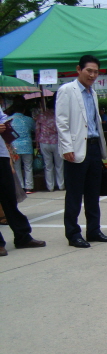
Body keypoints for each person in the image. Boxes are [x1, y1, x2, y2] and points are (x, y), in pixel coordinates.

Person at [56, 54, 107, 248]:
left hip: (94, 146)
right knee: (74, 193)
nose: (92, 75)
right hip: (76, 147)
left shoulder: (92, 93)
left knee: (93, 192)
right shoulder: (67, 90)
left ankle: (94, 230)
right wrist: (67, 147)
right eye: (89, 71)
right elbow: (61, 122)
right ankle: (73, 234)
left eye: (96, 72)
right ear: (79, 69)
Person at [0, 109, 46, 256]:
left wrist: (4, 124)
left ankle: (22, 236)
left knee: (9, 197)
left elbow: (3, 118)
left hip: (1, 154)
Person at [34, 97, 64, 192]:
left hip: (44, 141)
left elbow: (37, 130)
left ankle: (50, 186)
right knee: (59, 165)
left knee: (48, 165)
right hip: (56, 141)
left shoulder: (41, 116)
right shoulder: (58, 115)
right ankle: (61, 185)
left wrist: (37, 143)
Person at [9, 97, 36, 193]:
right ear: (24, 109)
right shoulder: (29, 120)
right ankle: (29, 187)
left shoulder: (9, 120)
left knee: (17, 167)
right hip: (27, 145)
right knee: (28, 166)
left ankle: (20, 187)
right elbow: (35, 129)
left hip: (14, 146)